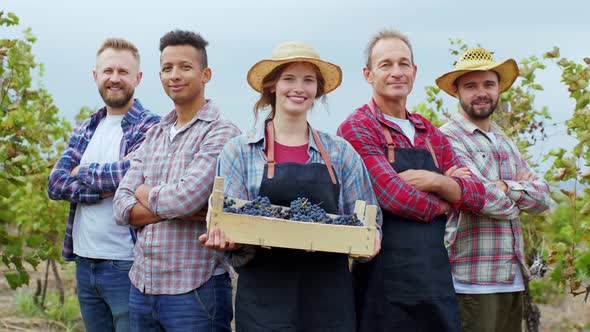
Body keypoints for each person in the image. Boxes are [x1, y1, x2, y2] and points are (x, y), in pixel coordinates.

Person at [200, 41, 382, 332]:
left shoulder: (341, 153)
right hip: (264, 303)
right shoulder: (240, 151)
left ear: (317, 90)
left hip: (328, 302)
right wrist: (229, 241)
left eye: (308, 80)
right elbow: (230, 226)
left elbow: (369, 220)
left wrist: (371, 241)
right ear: (272, 85)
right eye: (289, 78)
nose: (299, 88)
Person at [337, 30, 486, 331]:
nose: (397, 72)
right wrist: (448, 199)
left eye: (404, 64)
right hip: (382, 285)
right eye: (386, 64)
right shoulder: (357, 127)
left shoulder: (428, 131)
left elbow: (477, 194)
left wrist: (435, 181)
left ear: (414, 72)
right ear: (368, 74)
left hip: (435, 282)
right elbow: (393, 195)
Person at [113, 30, 240, 331]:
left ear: (205, 74)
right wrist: (177, 210)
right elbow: (120, 206)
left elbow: (184, 199)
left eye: (185, 66)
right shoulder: (155, 132)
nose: (174, 75)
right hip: (142, 285)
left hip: (195, 289)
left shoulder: (221, 132)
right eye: (167, 68)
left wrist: (143, 192)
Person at [47, 38, 160, 332]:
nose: (115, 78)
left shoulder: (151, 127)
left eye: (123, 72)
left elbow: (136, 175)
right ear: (96, 76)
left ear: (138, 78)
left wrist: (80, 171)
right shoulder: (87, 127)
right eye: (108, 70)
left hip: (126, 265)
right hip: (85, 263)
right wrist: (113, 185)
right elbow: (56, 184)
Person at [437, 47, 551, 332]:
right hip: (472, 280)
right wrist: (518, 191)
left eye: (489, 84)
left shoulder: (503, 140)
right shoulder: (448, 139)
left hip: (512, 276)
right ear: (456, 92)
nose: (481, 92)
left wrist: (504, 187)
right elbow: (481, 200)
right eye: (471, 86)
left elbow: (543, 198)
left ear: (499, 88)